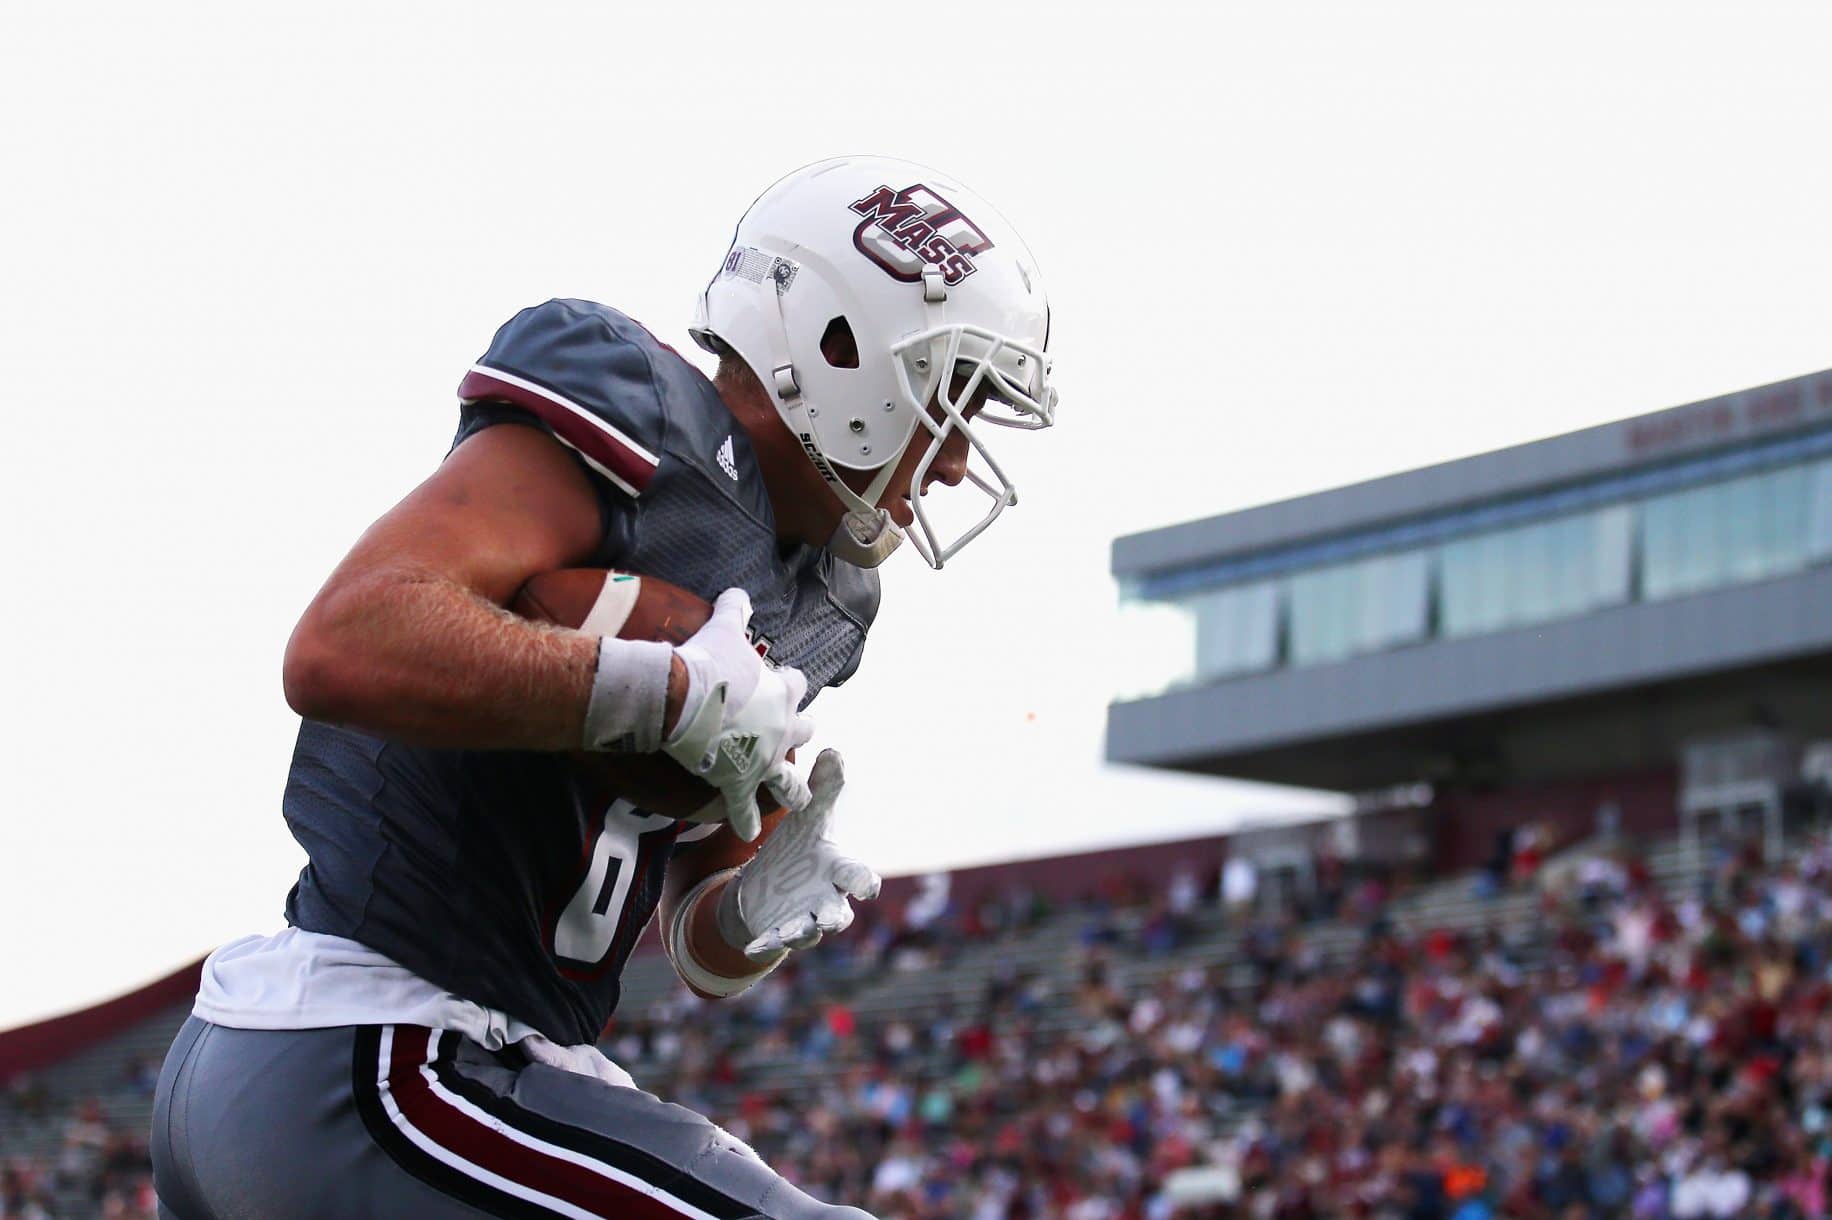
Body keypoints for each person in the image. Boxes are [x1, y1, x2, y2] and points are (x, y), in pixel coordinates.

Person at [149, 155, 1057, 1219]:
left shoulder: (827, 597)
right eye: (949, 399)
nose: (951, 463)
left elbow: (692, 926)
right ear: (839, 351)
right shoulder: (640, 415)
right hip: (371, 1043)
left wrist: (749, 913)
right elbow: (344, 640)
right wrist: (654, 688)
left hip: (443, 1062)